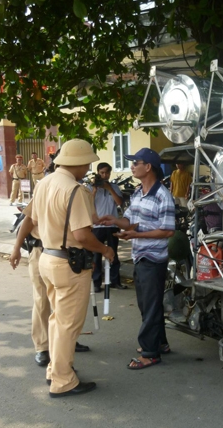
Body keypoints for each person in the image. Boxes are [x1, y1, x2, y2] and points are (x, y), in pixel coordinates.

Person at [30, 139, 114, 398]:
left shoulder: (44, 183)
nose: (89, 166)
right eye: (87, 162)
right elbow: (82, 236)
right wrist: (105, 250)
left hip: (47, 257)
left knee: (57, 321)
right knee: (67, 325)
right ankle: (63, 380)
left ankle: (55, 370)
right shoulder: (75, 189)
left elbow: (32, 219)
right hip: (69, 263)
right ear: (77, 163)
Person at [98, 148, 175, 370]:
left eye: (136, 163)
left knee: (149, 306)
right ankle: (160, 343)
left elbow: (168, 230)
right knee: (147, 304)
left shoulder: (163, 195)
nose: (132, 166)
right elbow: (130, 220)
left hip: (153, 258)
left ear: (148, 167)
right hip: (139, 256)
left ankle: (150, 353)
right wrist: (113, 220)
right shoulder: (139, 192)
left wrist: (135, 235)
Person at [9, 198, 91, 368]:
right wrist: (16, 248)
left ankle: (66, 342)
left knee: (66, 303)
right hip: (41, 251)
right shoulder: (44, 190)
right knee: (41, 300)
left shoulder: (74, 191)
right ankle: (42, 347)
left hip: (69, 255)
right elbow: (28, 221)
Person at [89, 162, 126, 292]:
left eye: (107, 173)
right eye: (102, 173)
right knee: (96, 255)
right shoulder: (90, 187)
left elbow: (119, 202)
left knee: (113, 254)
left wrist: (109, 188)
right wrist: (94, 189)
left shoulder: (114, 187)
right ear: (98, 173)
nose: (104, 175)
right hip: (97, 225)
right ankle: (97, 283)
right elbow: (88, 204)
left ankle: (115, 281)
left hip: (112, 224)